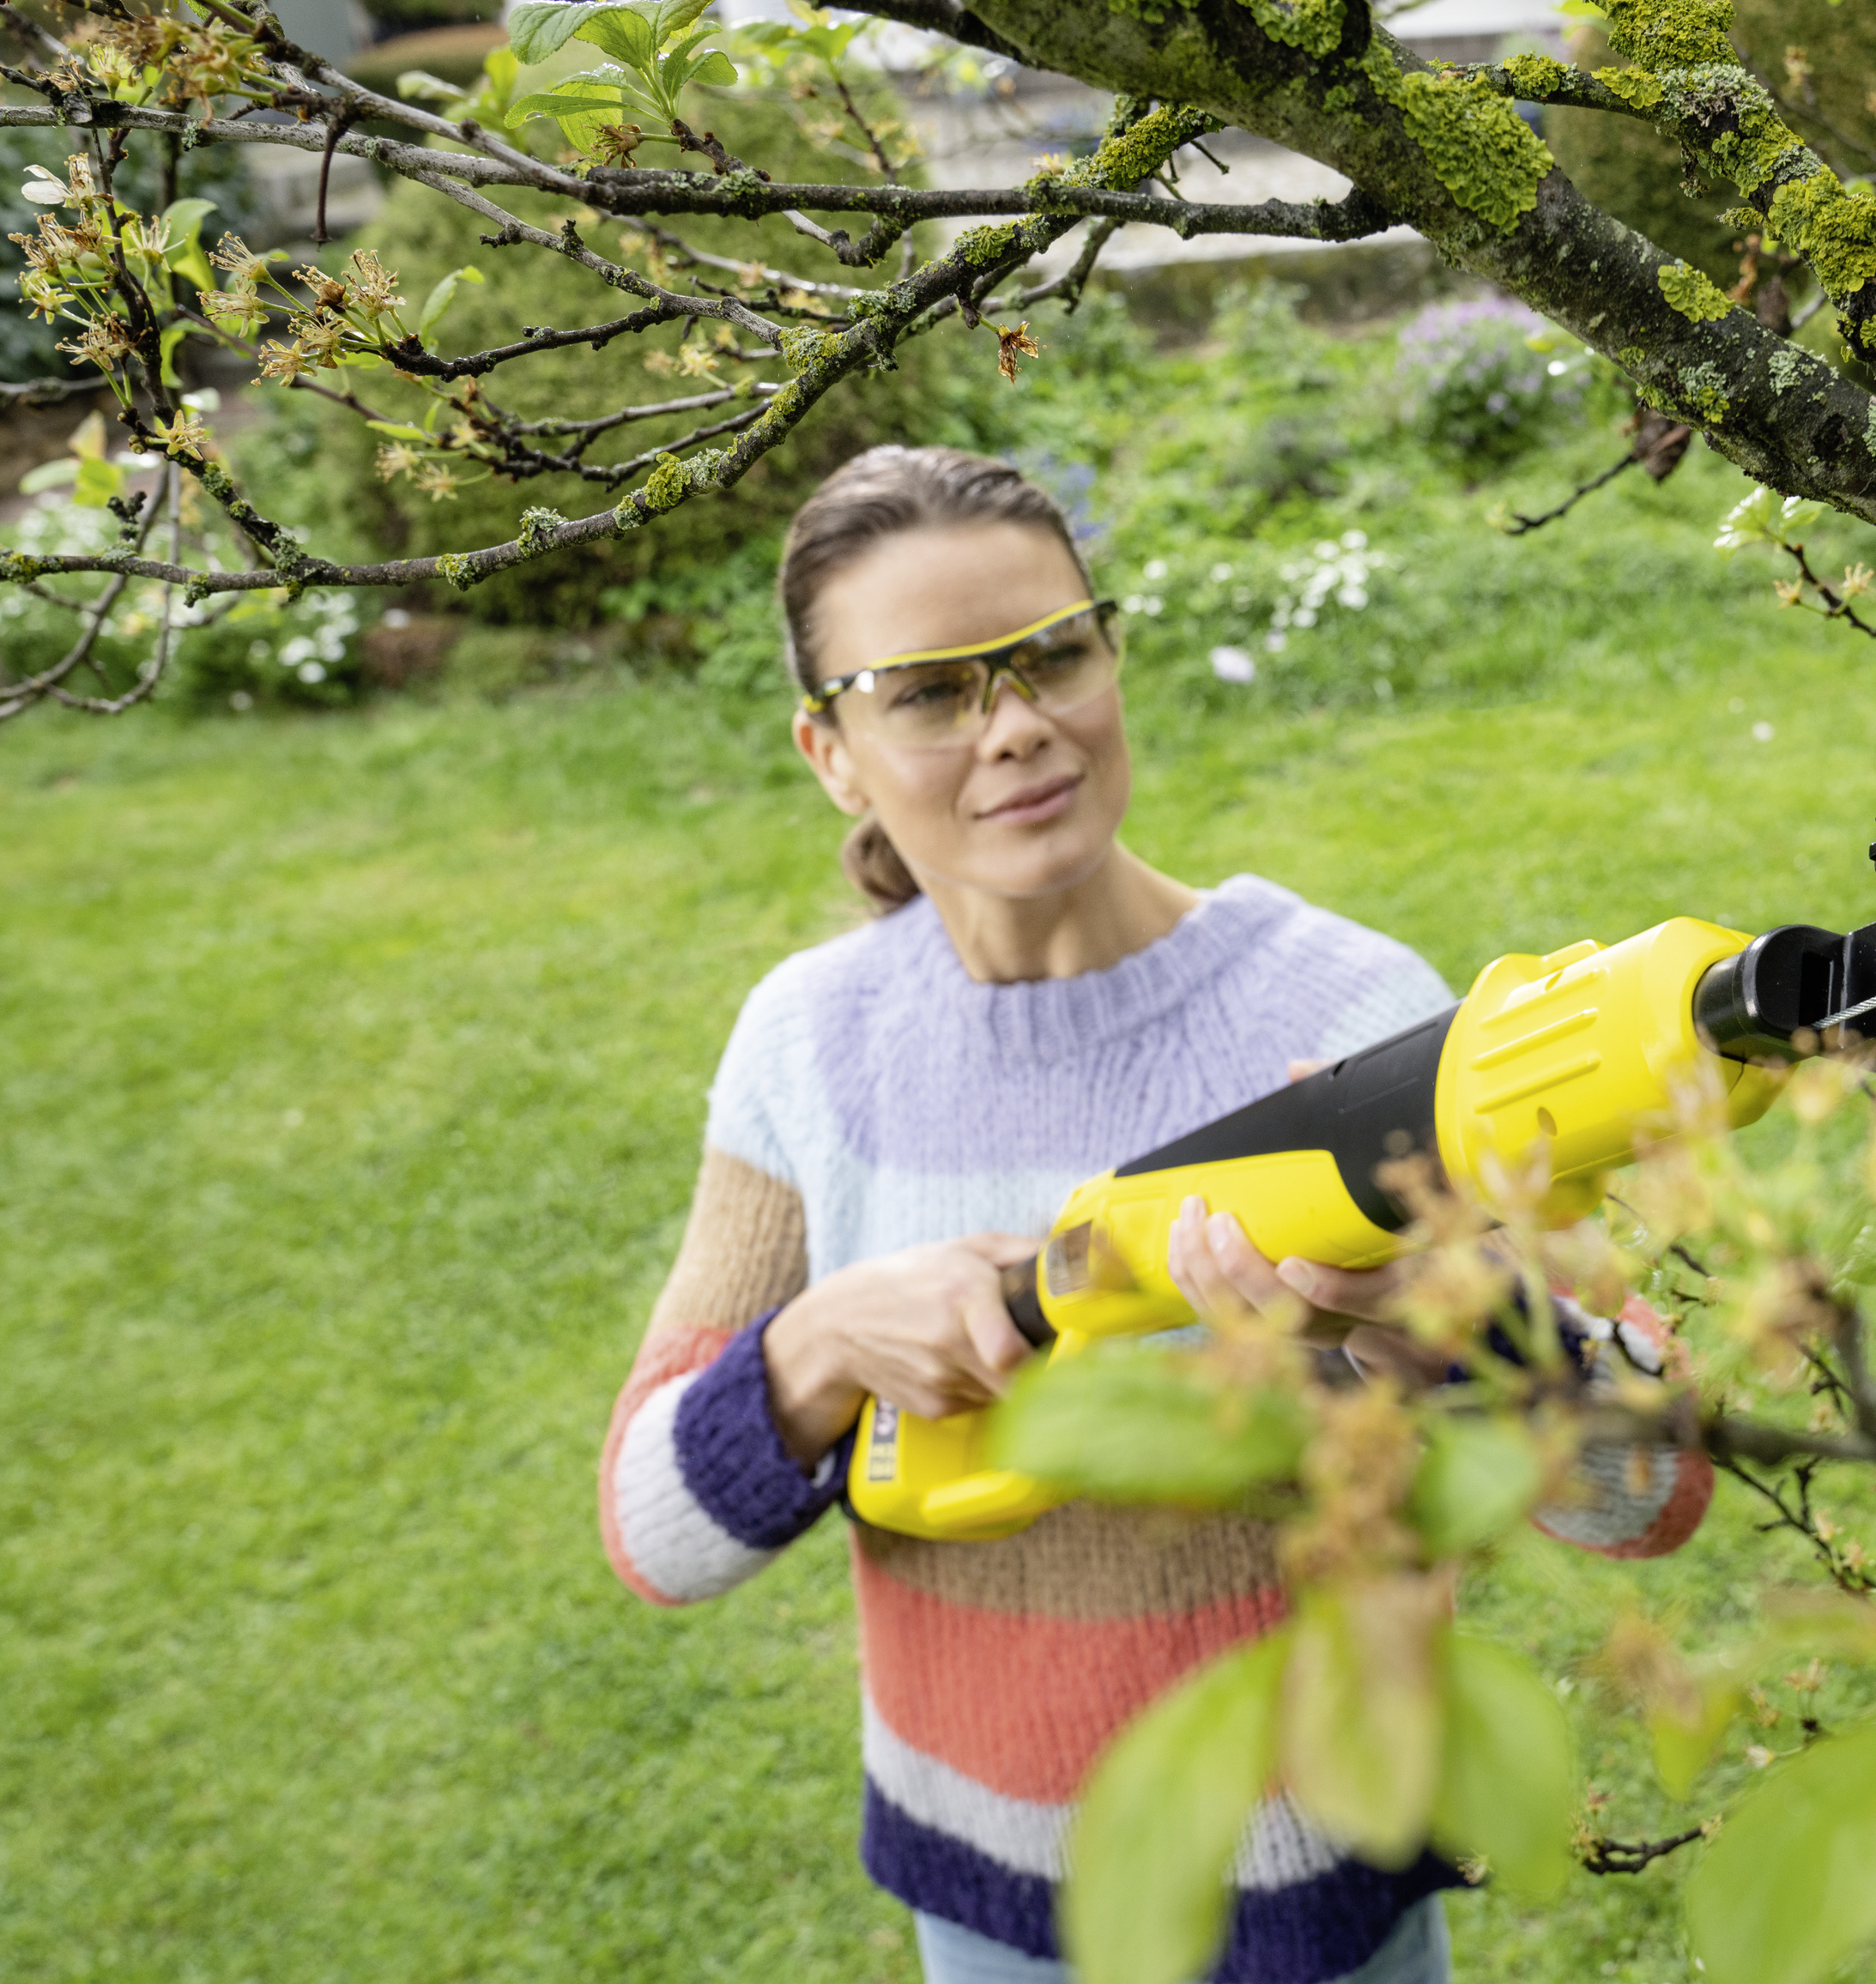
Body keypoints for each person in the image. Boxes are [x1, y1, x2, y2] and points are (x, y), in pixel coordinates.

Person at [596, 446, 1710, 1984]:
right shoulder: (809, 1044)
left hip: (1314, 1892)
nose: (1017, 724)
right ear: (830, 752)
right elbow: (654, 1532)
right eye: (930, 693)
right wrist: (821, 1345)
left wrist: (1431, 1330)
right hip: (983, 1899)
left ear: (1110, 657)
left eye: (1052, 654)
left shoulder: (1347, 1019)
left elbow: (1654, 1487)